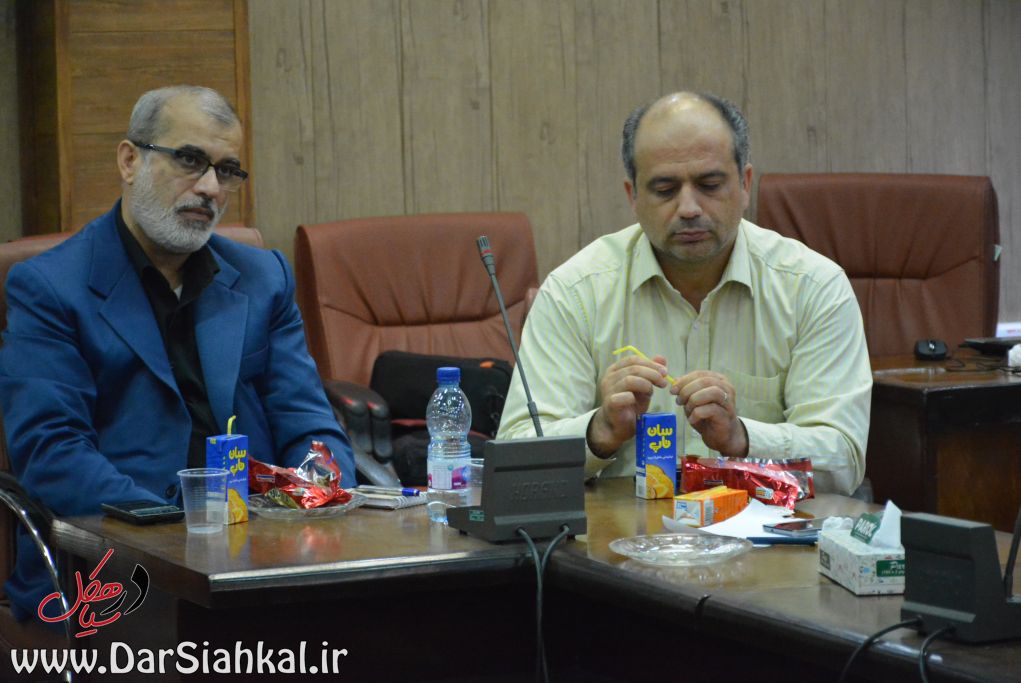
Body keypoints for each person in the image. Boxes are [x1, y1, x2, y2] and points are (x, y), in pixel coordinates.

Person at [0, 85, 355, 621]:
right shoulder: (51, 287)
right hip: (115, 566)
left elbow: (309, 425)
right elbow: (52, 453)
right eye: (190, 160)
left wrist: (317, 492)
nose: (210, 187)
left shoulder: (264, 278)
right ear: (129, 160)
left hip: (261, 556)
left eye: (226, 170)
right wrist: (177, 534)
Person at [497, 91, 871, 495]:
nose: (689, 208)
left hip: (768, 528)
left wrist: (742, 439)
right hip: (616, 532)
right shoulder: (575, 292)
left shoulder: (812, 287)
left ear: (745, 184)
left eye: (709, 185)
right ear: (633, 196)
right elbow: (515, 460)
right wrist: (599, 431)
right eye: (664, 189)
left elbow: (843, 461)